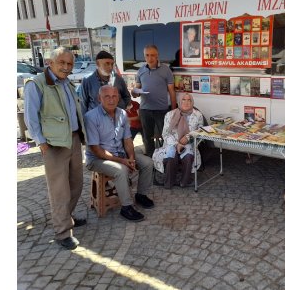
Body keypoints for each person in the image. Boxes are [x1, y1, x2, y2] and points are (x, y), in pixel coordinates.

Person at [23, 47, 87, 250]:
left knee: (76, 183)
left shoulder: (66, 82)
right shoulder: (37, 84)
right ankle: (62, 232)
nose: (66, 67)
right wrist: (41, 143)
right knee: (59, 190)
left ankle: (67, 216)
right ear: (50, 62)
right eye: (62, 63)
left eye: (70, 64)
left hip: (74, 140)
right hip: (53, 144)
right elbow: (31, 118)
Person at [84, 85, 155, 222]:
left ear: (119, 98)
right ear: (100, 98)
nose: (111, 100)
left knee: (147, 162)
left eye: (114, 96)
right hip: (98, 159)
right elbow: (96, 149)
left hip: (120, 153)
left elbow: (127, 139)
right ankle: (126, 207)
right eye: (107, 96)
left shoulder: (122, 113)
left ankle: (141, 195)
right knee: (121, 170)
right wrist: (123, 161)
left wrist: (131, 158)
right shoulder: (91, 117)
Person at [132, 44, 177, 157]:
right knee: (147, 137)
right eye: (147, 55)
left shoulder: (166, 70)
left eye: (152, 55)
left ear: (157, 56)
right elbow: (137, 89)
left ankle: (166, 157)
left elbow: (172, 91)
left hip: (161, 110)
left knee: (166, 136)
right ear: (144, 56)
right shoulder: (141, 71)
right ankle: (151, 160)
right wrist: (134, 92)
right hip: (145, 110)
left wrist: (173, 110)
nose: (150, 58)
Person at [152, 93, 204, 189]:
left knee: (188, 157)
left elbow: (200, 131)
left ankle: (184, 182)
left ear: (192, 102)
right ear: (179, 101)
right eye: (183, 99)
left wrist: (188, 138)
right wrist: (177, 144)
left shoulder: (198, 115)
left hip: (188, 143)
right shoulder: (170, 114)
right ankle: (169, 182)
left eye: (189, 100)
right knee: (171, 157)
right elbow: (166, 133)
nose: (186, 102)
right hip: (171, 143)